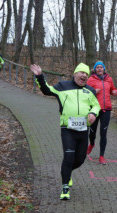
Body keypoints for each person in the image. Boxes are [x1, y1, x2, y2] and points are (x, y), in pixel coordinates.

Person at [30, 63, 101, 200]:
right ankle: (65, 188)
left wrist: (93, 113)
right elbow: (46, 90)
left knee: (80, 159)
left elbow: (96, 105)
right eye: (81, 72)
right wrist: (39, 76)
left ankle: (67, 173)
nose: (84, 75)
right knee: (68, 157)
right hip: (67, 129)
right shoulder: (62, 86)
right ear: (75, 74)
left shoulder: (90, 90)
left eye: (86, 74)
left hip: (83, 129)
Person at [86, 61, 117, 165]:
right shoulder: (91, 79)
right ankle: (91, 144)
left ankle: (101, 156)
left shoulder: (109, 79)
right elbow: (85, 92)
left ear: (104, 69)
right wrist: (93, 91)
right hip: (94, 109)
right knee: (92, 132)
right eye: (97, 67)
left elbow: (113, 89)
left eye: (101, 67)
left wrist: (115, 92)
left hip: (106, 109)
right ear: (95, 70)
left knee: (103, 133)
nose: (99, 69)